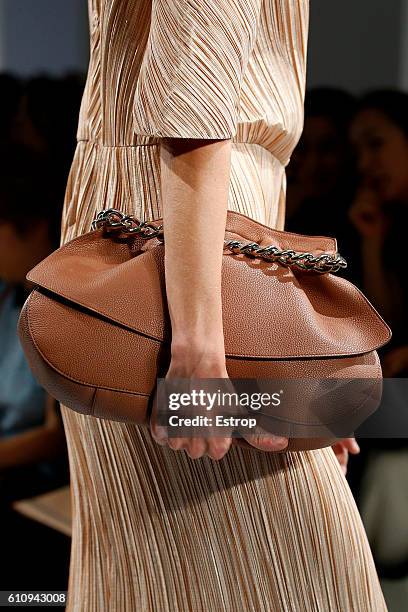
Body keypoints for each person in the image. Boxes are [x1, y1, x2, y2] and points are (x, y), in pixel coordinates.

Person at [58, 1, 387, 609]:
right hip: (169, 244)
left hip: (207, 242)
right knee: (313, 585)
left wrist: (292, 366)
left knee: (150, 583)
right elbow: (195, 98)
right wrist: (199, 345)